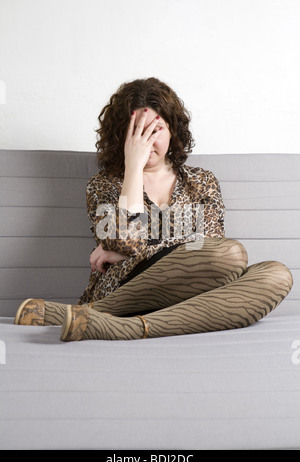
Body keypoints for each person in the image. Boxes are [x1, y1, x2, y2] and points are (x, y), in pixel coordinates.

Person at [14, 77, 293, 341]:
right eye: (137, 131)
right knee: (231, 254)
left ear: (173, 131)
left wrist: (138, 249)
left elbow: (207, 251)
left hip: (191, 292)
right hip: (129, 291)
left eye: (155, 130)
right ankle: (110, 313)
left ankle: (121, 326)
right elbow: (126, 239)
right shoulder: (103, 185)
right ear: (121, 136)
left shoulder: (202, 181)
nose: (146, 140)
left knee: (275, 274)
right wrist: (133, 166)